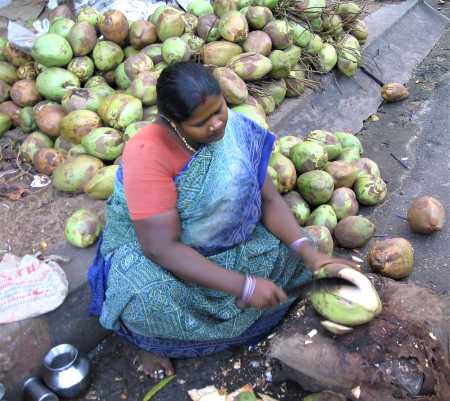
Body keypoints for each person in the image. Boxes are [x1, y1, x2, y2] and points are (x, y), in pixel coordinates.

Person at [88, 62, 357, 378]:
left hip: (229, 242)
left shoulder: (236, 130)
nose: (217, 125)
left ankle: (257, 297)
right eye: (201, 122)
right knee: (141, 299)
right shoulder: (146, 152)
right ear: (172, 121)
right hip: (165, 259)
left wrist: (309, 253)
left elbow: (268, 198)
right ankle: (154, 344)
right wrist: (242, 286)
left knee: (297, 249)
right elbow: (161, 248)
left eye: (220, 110)